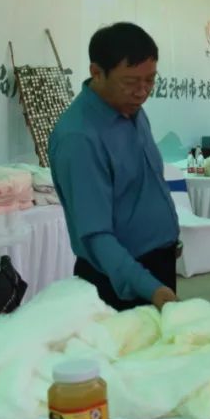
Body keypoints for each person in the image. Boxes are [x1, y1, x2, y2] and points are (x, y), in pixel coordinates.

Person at [50, 22, 180, 311]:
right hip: (119, 278)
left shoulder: (133, 111)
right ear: (96, 72)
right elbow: (96, 236)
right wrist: (151, 288)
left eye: (150, 80)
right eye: (131, 82)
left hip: (156, 267)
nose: (142, 92)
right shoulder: (79, 137)